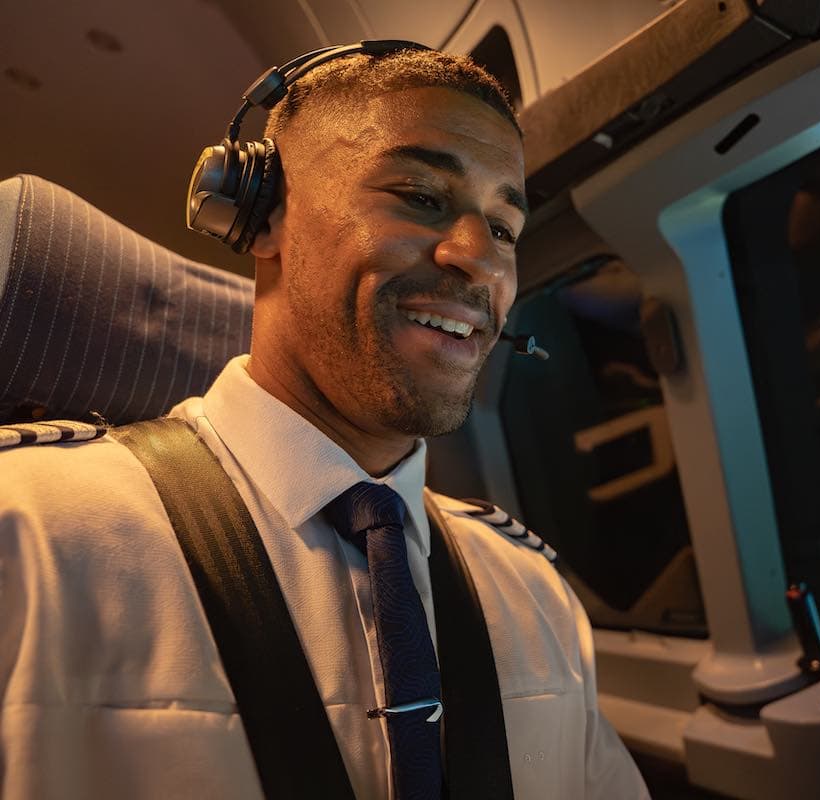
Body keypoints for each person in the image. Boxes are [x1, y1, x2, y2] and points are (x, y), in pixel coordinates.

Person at [0, 46, 649, 799]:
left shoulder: (534, 596)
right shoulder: (30, 538)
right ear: (261, 216)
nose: (481, 260)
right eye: (419, 195)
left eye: (504, 228)